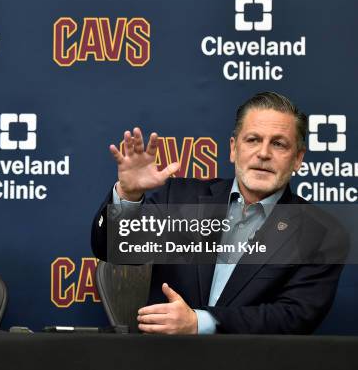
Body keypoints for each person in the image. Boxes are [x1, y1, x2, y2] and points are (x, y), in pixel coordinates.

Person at [92, 91, 346, 334]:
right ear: (233, 149)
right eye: (253, 140)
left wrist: (199, 323)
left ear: (298, 159)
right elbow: (114, 250)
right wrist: (128, 195)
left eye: (278, 144)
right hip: (164, 357)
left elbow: (294, 318)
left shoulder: (322, 234)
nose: (264, 153)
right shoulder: (179, 199)